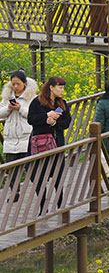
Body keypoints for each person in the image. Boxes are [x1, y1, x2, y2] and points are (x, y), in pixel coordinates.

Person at [27, 77, 71, 212]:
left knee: (58, 175)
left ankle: (60, 205)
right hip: (40, 145)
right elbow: (31, 119)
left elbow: (66, 123)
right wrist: (46, 116)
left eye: (63, 88)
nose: (62, 90)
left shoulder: (62, 104)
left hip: (56, 145)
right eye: (60, 87)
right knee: (39, 177)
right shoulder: (37, 102)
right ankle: (43, 208)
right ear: (51, 88)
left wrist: (54, 123)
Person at [0, 70, 37, 163]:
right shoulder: (7, 96)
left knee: (29, 168)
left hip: (26, 139)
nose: (15, 86)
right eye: (13, 84)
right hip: (10, 141)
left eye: (18, 84)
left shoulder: (32, 97)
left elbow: (35, 115)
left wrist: (21, 109)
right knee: (12, 169)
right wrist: (8, 108)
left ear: (24, 83)